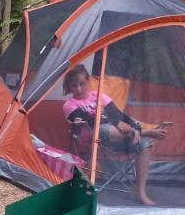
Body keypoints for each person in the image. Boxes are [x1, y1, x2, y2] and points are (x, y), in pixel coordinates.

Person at [61, 64, 168, 206]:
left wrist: (130, 126)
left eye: (82, 84)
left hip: (119, 137)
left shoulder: (99, 96)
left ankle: (140, 192)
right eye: (74, 86)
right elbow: (91, 121)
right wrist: (121, 124)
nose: (79, 89)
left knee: (145, 145)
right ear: (69, 87)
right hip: (95, 138)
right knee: (103, 128)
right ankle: (143, 132)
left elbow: (119, 115)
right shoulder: (70, 105)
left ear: (88, 81)